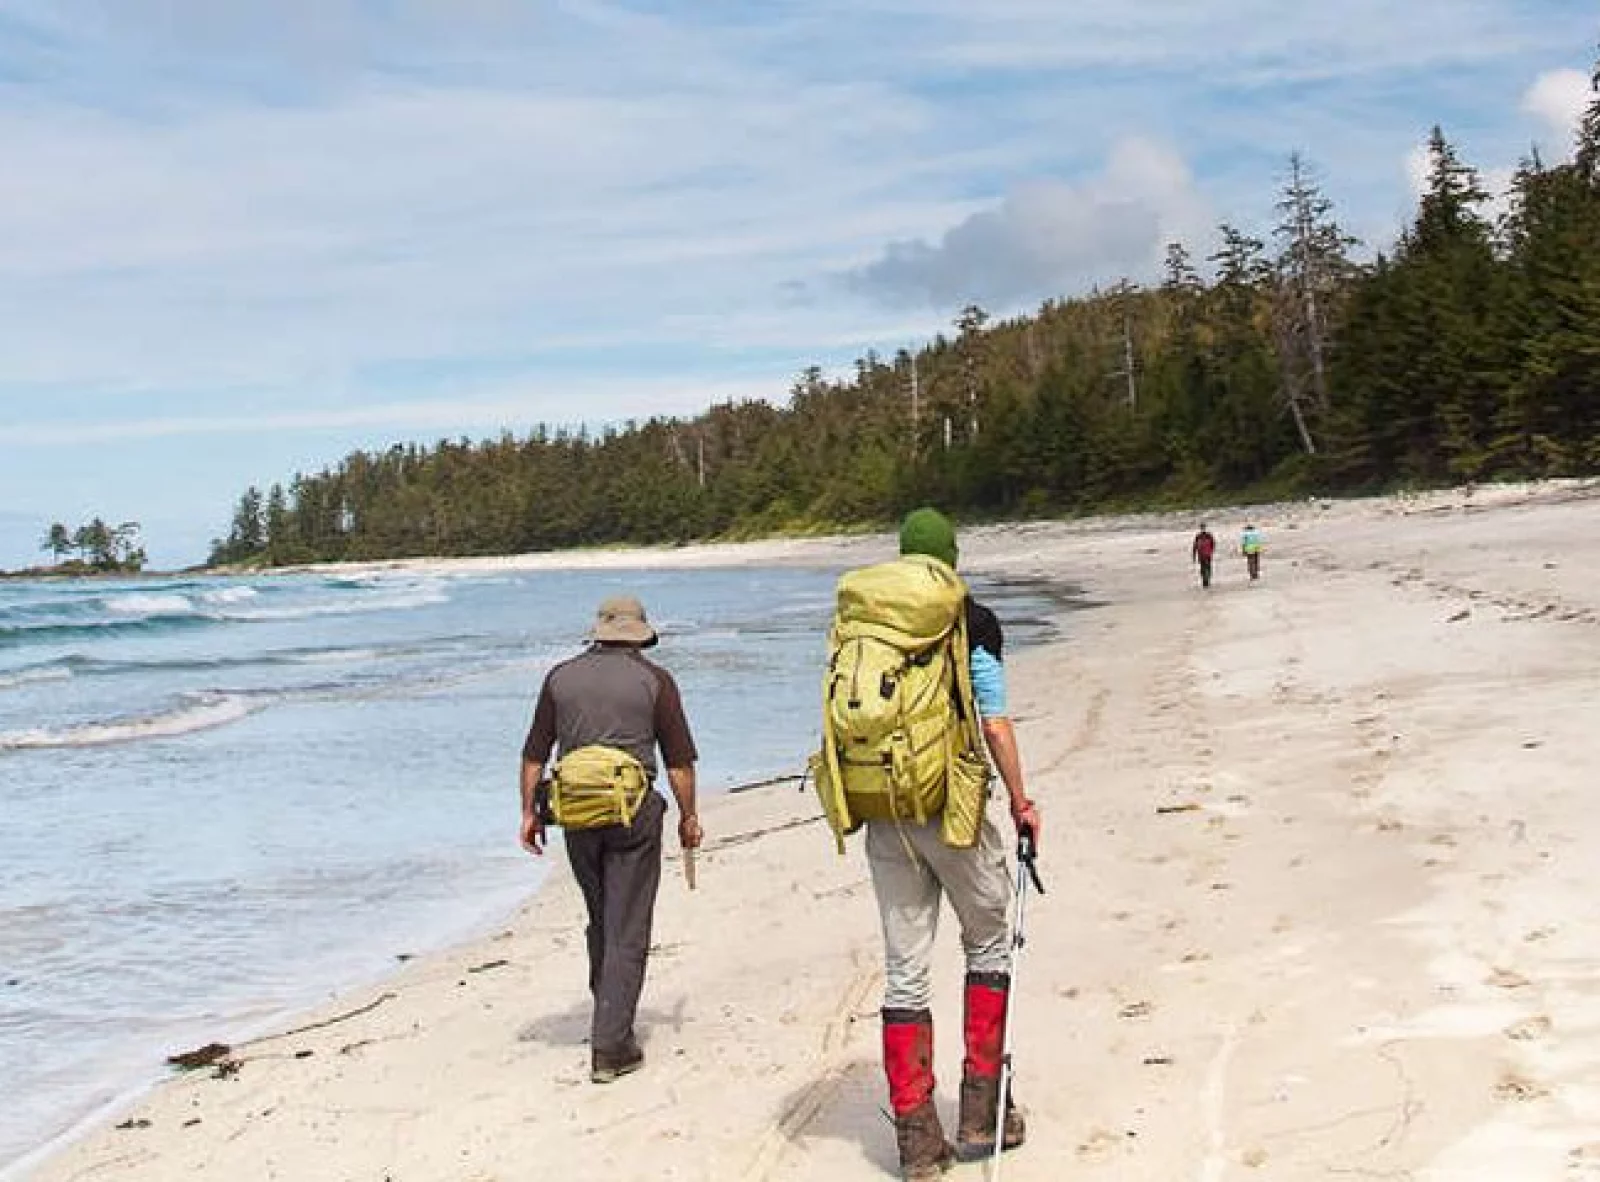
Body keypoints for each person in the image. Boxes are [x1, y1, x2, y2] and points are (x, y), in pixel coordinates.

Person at [843, 508, 1041, 1180]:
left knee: (905, 969)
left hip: (882, 809)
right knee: (986, 940)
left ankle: (917, 1142)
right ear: (949, 559)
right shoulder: (972, 620)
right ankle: (983, 1116)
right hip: (951, 808)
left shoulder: (864, 625)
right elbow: (994, 720)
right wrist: (1020, 801)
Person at [518, 595, 702, 1084]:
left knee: (601, 918)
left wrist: (528, 815)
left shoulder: (560, 676)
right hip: (632, 814)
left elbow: (534, 756)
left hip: (576, 813)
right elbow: (680, 762)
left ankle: (608, 1011)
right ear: (640, 637)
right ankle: (612, 1044)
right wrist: (689, 817)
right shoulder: (655, 681)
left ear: (599, 633)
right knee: (628, 925)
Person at [1191, 523, 1216, 588]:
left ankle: (1206, 581)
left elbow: (1213, 544)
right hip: (1204, 555)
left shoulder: (1205, 536)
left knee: (1206, 568)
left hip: (1205, 555)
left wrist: (1211, 552)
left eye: (1203, 528)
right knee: (1205, 568)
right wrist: (1211, 551)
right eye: (1202, 528)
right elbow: (1195, 546)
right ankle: (1206, 581)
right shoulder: (1201, 536)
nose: (1202, 529)